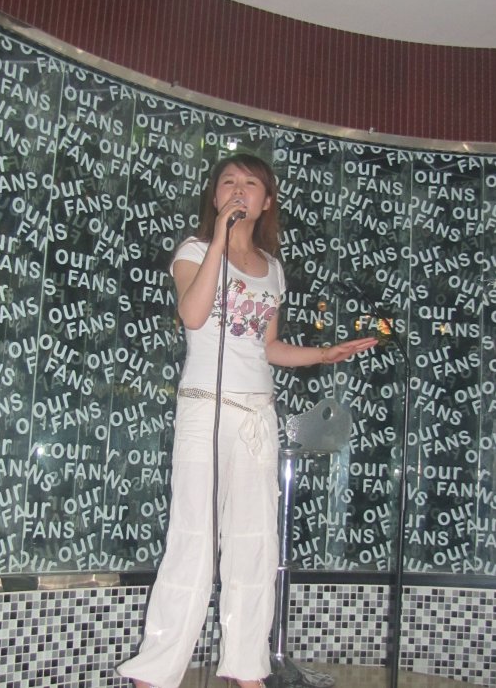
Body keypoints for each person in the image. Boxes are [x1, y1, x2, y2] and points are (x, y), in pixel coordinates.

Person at [117, 153, 378, 688]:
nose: (239, 189)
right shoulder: (194, 251)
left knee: (255, 542)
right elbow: (193, 315)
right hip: (204, 410)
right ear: (215, 197)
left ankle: (247, 667)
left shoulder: (273, 268)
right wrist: (219, 239)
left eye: (250, 183)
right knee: (193, 537)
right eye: (228, 182)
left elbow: (268, 346)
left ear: (267, 200)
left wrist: (323, 354)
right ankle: (156, 672)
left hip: (258, 415)